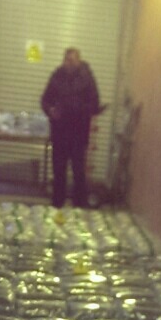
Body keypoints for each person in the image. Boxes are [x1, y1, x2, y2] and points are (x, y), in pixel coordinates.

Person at [41, 48, 100, 208]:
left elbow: (95, 105)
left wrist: (77, 109)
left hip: (79, 134)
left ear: (79, 61)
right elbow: (45, 100)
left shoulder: (87, 78)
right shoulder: (57, 76)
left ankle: (79, 208)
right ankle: (57, 206)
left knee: (78, 173)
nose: (69, 63)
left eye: (72, 60)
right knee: (58, 172)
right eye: (67, 60)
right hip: (59, 133)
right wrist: (50, 110)